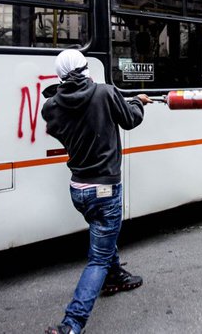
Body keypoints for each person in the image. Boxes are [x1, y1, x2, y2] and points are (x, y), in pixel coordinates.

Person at [42, 49, 149, 334]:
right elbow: (130, 119)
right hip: (104, 189)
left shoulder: (52, 106)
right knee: (98, 257)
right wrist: (138, 102)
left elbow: (64, 113)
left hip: (78, 190)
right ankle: (72, 324)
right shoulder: (105, 93)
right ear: (85, 68)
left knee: (103, 232)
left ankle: (116, 276)